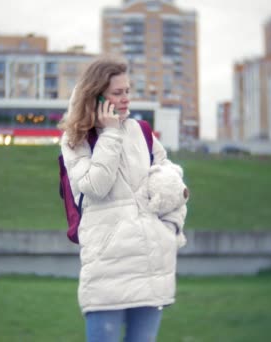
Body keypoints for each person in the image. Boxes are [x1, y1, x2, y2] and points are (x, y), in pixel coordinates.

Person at [58, 55, 188, 342]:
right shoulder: (75, 140)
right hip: (107, 269)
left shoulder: (142, 132)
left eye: (128, 91)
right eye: (118, 93)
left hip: (152, 266)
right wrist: (111, 134)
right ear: (97, 96)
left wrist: (170, 228)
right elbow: (95, 186)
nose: (126, 98)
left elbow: (172, 184)